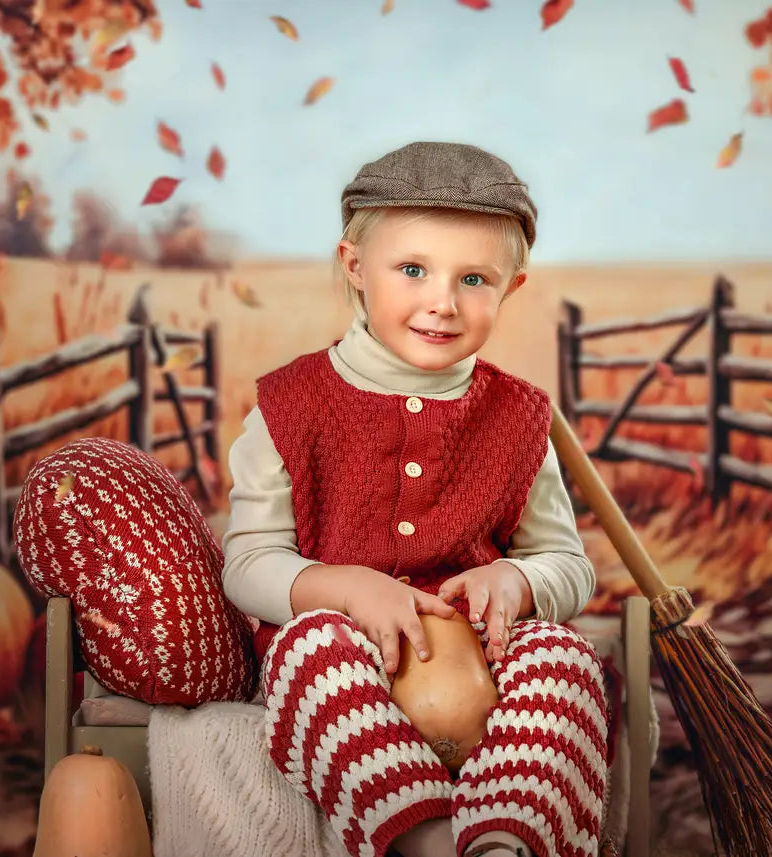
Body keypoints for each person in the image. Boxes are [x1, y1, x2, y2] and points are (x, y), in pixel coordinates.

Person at [220, 141, 609, 857]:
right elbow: (246, 563)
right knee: (307, 653)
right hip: (344, 649)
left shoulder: (521, 417)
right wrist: (339, 586)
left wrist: (518, 579)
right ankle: (425, 839)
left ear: (511, 289)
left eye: (473, 279)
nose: (442, 302)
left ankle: (503, 835)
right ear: (355, 268)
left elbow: (569, 563)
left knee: (563, 657)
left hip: (476, 656)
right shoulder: (289, 405)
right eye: (412, 270)